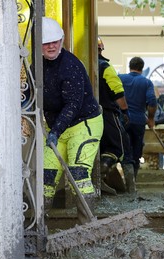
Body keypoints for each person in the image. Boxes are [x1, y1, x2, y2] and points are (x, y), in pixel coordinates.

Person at [41, 17, 103, 224]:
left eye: (55, 41)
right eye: (46, 42)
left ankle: (87, 227)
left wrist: (55, 130)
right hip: (57, 127)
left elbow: (73, 105)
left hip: (83, 124)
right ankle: (40, 228)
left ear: (62, 40)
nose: (51, 46)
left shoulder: (70, 66)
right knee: (46, 177)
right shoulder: (37, 66)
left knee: (78, 174)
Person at [97, 37, 132, 194]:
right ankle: (102, 172)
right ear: (101, 49)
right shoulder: (105, 67)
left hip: (87, 116)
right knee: (116, 147)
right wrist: (124, 111)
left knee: (97, 147)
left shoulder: (80, 65)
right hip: (107, 114)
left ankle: (101, 181)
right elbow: (117, 91)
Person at [118, 56, 158, 193]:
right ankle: (132, 184)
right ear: (142, 68)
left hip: (122, 121)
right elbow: (152, 101)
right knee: (136, 151)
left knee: (124, 150)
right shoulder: (146, 83)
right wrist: (151, 118)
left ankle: (127, 181)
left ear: (130, 66)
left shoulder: (120, 78)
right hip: (139, 121)